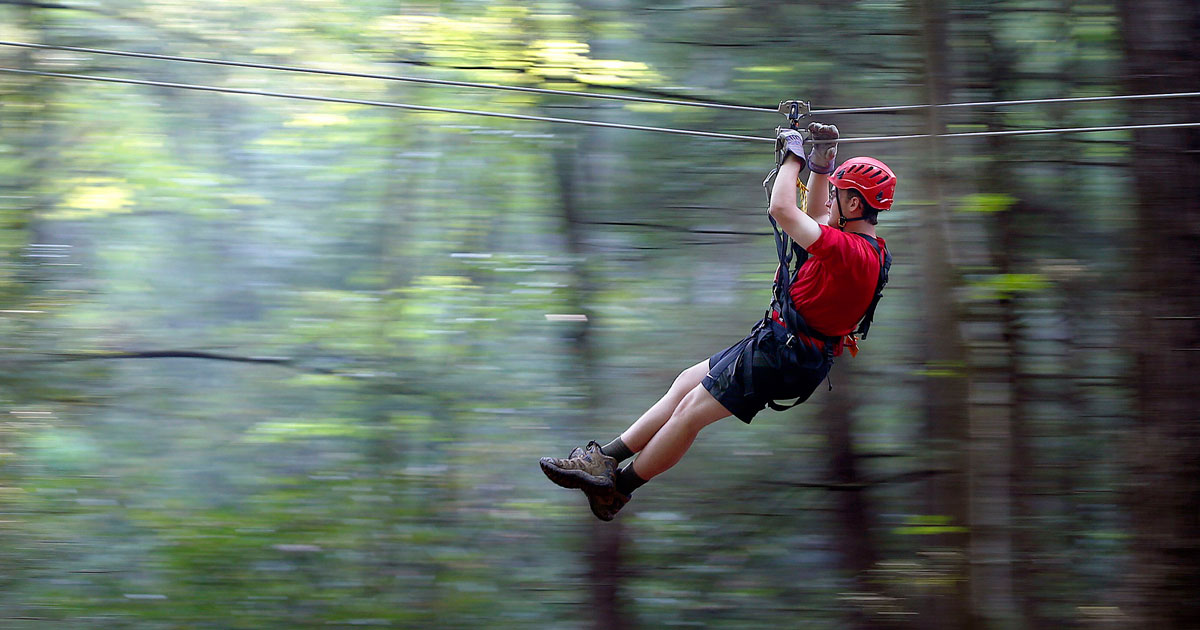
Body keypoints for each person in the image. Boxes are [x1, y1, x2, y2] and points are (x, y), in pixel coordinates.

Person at [539, 123, 895, 521]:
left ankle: (618, 490)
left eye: (837, 194)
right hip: (783, 345)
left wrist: (794, 158)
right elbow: (816, 217)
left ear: (854, 205)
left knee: (690, 411)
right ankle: (604, 460)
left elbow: (782, 210)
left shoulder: (851, 253)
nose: (830, 198)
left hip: (786, 355)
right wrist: (821, 165)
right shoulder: (866, 249)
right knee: (685, 384)